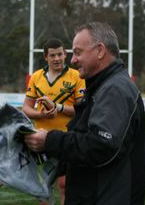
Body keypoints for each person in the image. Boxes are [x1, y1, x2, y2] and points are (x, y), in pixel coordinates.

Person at [24, 22, 145, 205]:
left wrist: (50, 140)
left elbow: (101, 145)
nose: (72, 59)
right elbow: (85, 138)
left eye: (77, 52)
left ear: (99, 51)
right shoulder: (101, 86)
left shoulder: (114, 89)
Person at [23, 38, 85, 205]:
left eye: (60, 54)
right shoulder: (36, 77)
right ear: (46, 57)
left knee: (65, 185)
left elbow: (82, 111)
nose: (57, 58)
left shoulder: (77, 76)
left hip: (67, 138)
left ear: (65, 54)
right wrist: (42, 115)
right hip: (42, 140)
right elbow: (26, 109)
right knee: (43, 187)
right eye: (53, 55)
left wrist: (57, 107)